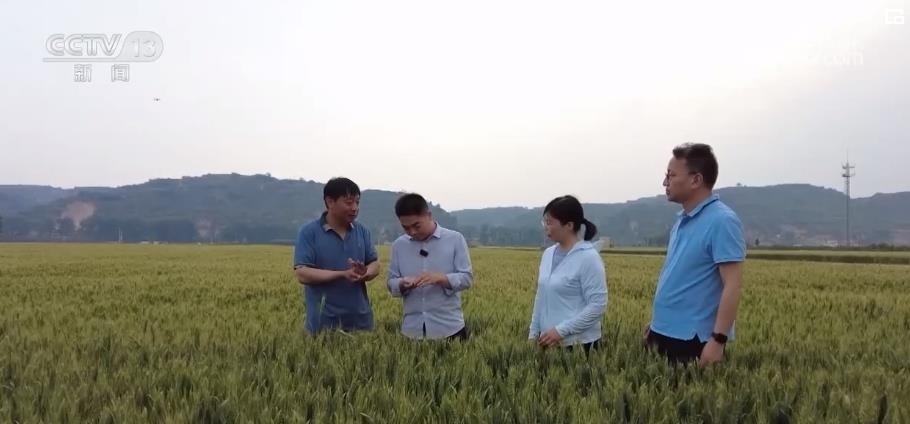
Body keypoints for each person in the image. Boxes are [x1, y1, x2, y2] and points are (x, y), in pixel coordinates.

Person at [644, 143, 746, 366]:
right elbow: (679, 277)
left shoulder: (722, 221)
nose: (665, 182)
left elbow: (733, 285)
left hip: (692, 339)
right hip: (663, 331)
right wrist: (658, 323)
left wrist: (718, 340)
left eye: (671, 176)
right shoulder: (682, 220)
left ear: (696, 180)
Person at [292, 177, 381, 334]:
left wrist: (365, 273)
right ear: (330, 202)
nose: (355, 208)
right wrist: (342, 274)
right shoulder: (309, 232)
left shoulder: (362, 231)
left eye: (357, 202)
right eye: (349, 202)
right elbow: (302, 273)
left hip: (360, 321)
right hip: (322, 324)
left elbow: (375, 264)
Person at [387, 193, 473, 341]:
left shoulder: (455, 239)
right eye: (406, 228)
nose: (412, 232)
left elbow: (467, 278)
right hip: (412, 331)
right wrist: (402, 283)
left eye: (417, 226)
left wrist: (441, 278)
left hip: (450, 328)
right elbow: (391, 282)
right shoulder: (399, 245)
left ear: (429, 215)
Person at [528, 195, 607, 353]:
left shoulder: (588, 258)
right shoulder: (548, 254)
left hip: (579, 346)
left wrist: (560, 331)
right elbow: (541, 296)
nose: (546, 227)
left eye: (550, 222)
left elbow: (597, 305)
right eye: (544, 222)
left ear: (569, 225)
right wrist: (533, 333)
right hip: (548, 343)